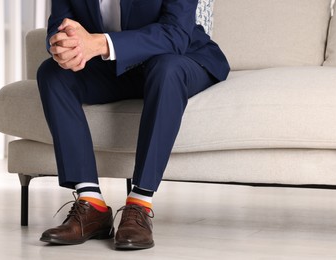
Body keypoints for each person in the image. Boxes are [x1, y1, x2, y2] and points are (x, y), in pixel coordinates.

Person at [36, 0, 230, 250]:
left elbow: (175, 33)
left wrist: (100, 43)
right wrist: (65, 45)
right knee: (52, 74)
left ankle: (140, 203)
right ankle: (91, 203)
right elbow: (58, 25)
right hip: (115, 68)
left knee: (166, 70)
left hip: (180, 57)